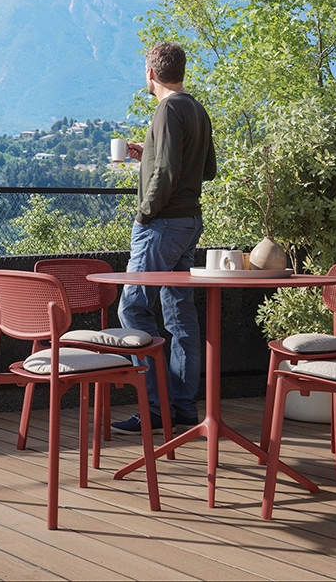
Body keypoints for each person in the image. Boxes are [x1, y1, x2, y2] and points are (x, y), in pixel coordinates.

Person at [112, 41, 217, 434]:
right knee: (179, 314)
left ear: (151, 74)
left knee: (134, 308)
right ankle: (183, 406)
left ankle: (156, 408)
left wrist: (144, 213)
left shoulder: (168, 108)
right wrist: (149, 156)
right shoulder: (196, 109)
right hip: (190, 221)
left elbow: (168, 172)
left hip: (163, 224)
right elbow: (206, 169)